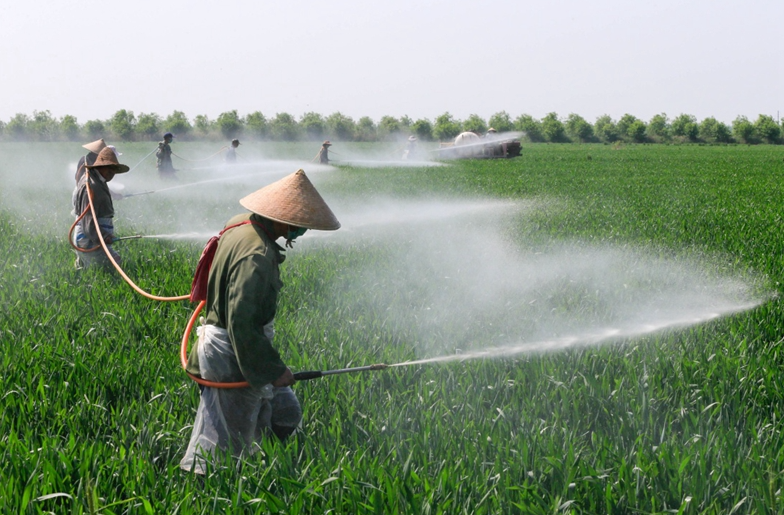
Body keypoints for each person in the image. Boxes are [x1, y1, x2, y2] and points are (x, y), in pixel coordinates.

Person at [180, 169, 341, 474]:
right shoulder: (258, 255)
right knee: (221, 441)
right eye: (299, 224)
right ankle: (208, 487)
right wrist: (272, 369)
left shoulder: (239, 223)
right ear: (282, 219)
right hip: (231, 352)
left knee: (285, 412)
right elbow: (242, 322)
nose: (301, 230)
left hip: (241, 343)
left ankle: (263, 465)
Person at [72, 147, 131, 269]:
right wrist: (104, 236)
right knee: (113, 264)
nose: (112, 173)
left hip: (92, 239)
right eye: (108, 169)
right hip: (89, 240)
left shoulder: (98, 180)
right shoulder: (92, 187)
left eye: (114, 170)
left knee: (88, 269)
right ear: (99, 166)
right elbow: (88, 221)